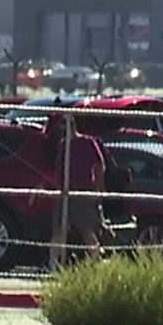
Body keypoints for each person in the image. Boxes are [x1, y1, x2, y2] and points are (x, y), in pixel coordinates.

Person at [48, 115, 106, 271]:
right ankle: (53, 264)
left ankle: (96, 260)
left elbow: (99, 165)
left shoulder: (88, 142)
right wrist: (57, 187)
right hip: (65, 193)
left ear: (73, 126)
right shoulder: (63, 146)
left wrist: (98, 189)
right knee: (59, 229)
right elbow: (59, 171)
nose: (64, 132)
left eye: (66, 127)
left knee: (87, 229)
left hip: (83, 193)